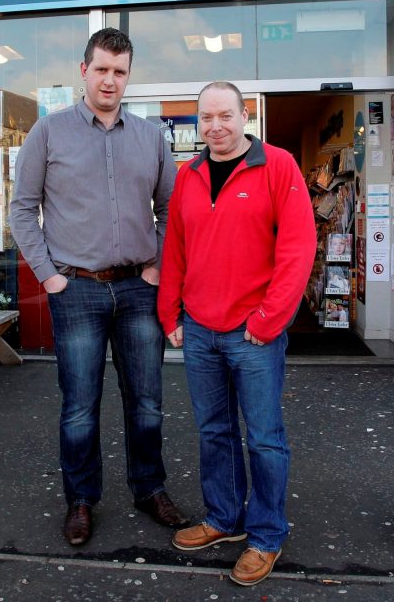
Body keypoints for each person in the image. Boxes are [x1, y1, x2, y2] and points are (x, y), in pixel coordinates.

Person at [10, 28, 186, 547]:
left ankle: (149, 488)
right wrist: (50, 276)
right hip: (77, 291)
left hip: (137, 289)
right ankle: (81, 500)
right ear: (83, 70)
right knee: (80, 406)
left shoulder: (151, 137)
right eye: (102, 69)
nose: (110, 80)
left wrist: (154, 267)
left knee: (147, 400)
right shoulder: (48, 132)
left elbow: (171, 210)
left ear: (128, 76)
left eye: (120, 71)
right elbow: (22, 210)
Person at [157, 81, 316, 586]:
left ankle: (266, 534)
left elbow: (297, 250)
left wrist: (269, 320)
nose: (216, 126)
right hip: (200, 329)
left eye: (226, 115)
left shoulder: (279, 167)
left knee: (265, 439)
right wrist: (171, 314)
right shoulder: (190, 175)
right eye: (206, 118)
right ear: (197, 122)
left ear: (245, 116)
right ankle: (223, 518)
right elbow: (177, 247)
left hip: (254, 332)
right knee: (214, 431)